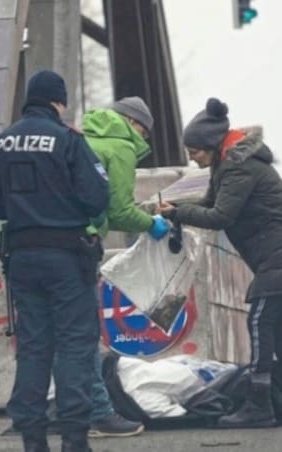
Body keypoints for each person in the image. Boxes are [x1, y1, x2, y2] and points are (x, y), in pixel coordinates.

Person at [157, 98, 282, 428]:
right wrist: (175, 206)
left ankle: (259, 404)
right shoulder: (227, 163)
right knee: (272, 325)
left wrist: (178, 213)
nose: (191, 157)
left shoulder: (239, 165)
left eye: (194, 151)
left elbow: (221, 215)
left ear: (210, 145)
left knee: (260, 321)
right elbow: (210, 201)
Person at [0, 70, 110, 452]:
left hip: (22, 257)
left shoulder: (2, 142)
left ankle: (33, 439)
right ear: (58, 102)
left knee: (34, 345)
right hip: (66, 257)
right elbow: (97, 197)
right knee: (74, 343)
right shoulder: (68, 140)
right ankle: (74, 438)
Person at [73, 96, 168, 437]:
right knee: (84, 334)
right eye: (144, 129)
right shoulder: (122, 147)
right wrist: (153, 223)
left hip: (45, 243)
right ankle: (100, 412)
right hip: (81, 248)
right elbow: (120, 211)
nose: (143, 137)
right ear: (135, 124)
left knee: (47, 338)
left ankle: (46, 412)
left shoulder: (81, 138)